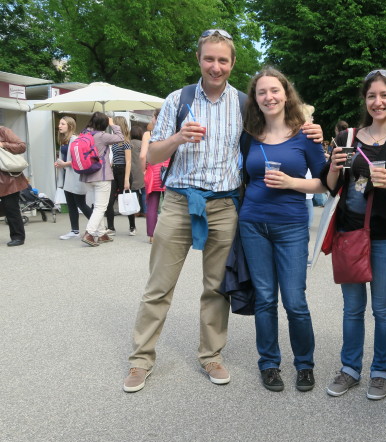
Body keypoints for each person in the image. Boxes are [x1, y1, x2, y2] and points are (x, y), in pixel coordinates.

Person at [123, 30, 323, 393]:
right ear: (198, 59)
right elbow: (151, 156)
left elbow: (280, 131)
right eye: (209, 59)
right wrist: (178, 138)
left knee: (216, 288)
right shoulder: (177, 100)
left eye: (223, 60)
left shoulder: (246, 105)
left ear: (232, 63)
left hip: (225, 205)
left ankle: (211, 355)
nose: (216, 66)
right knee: (159, 286)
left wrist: (312, 131)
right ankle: (141, 360)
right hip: (181, 202)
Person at [321, 68, 386, 401]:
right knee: (352, 309)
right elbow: (329, 187)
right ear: (364, 100)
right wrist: (335, 166)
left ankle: (381, 372)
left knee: (383, 308)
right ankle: (350, 369)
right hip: (350, 232)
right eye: (371, 96)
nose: (377, 102)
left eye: (384, 95)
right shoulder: (347, 138)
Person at [239, 68, 326, 392]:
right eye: (262, 92)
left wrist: (292, 183)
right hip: (253, 223)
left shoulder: (306, 134)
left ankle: (304, 364)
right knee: (264, 299)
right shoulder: (249, 133)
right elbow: (242, 176)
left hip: (290, 225)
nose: (268, 97)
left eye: (274, 91)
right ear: (255, 98)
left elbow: (325, 181)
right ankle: (269, 364)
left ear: (286, 94)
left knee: (294, 301)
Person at [79, 112, 124, 246]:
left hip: (87, 176)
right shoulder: (102, 136)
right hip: (102, 175)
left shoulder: (84, 134)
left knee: (97, 205)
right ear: (104, 124)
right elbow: (121, 137)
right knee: (101, 207)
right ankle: (90, 233)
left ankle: (102, 233)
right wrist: (113, 124)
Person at [54, 116, 93, 240]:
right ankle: (74, 231)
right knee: (71, 205)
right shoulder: (64, 140)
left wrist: (64, 164)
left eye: (62, 124)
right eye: (60, 124)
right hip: (67, 177)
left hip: (75, 177)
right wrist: (60, 163)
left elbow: (79, 159)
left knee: (81, 204)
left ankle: (97, 227)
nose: (59, 126)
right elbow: (66, 158)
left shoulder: (75, 139)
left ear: (70, 126)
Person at [105, 116, 137, 236]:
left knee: (127, 200)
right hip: (115, 170)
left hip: (124, 171)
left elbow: (128, 161)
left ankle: (132, 226)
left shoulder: (126, 142)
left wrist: (126, 180)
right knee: (109, 201)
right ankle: (111, 227)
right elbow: (115, 158)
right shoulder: (114, 141)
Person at [141, 109, 169, 244]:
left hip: (153, 170)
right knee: (170, 206)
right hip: (168, 171)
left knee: (152, 204)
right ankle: (168, 234)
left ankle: (152, 235)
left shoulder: (149, 134)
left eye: (153, 117)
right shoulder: (172, 132)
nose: (151, 119)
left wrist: (143, 170)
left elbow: (142, 155)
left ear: (157, 118)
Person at [0, 126, 28, 246]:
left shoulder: (3, 130)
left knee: (11, 209)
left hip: (8, 180)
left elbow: (22, 146)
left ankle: (18, 236)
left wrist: (3, 144)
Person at [129, 126, 146, 222]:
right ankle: (145, 211)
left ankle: (135, 211)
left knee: (134, 192)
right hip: (142, 170)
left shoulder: (128, 144)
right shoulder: (142, 144)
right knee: (144, 191)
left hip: (131, 170)